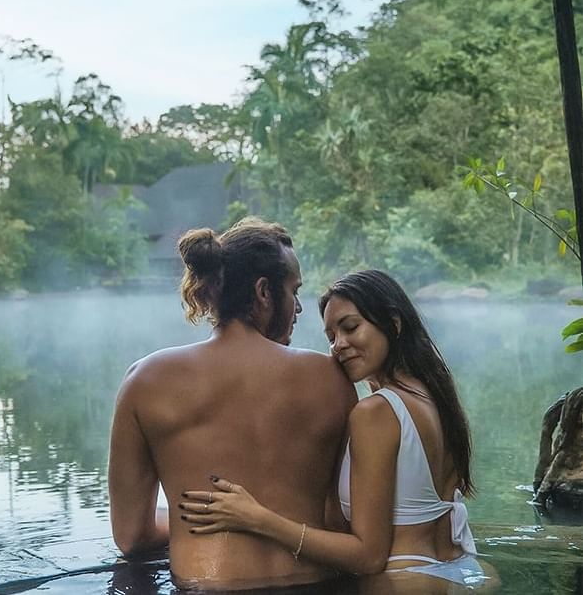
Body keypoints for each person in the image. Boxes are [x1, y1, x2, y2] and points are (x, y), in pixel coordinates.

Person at [180, 269, 489, 591]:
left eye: (351, 327)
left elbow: (367, 556)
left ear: (394, 324)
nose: (339, 345)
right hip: (462, 572)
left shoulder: (377, 412)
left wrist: (256, 518)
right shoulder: (433, 396)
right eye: (331, 337)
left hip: (403, 581)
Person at [108, 218, 357, 591]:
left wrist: (186, 516)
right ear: (263, 292)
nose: (299, 308)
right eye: (294, 290)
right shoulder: (331, 379)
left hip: (207, 586)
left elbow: (131, 537)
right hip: (316, 582)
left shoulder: (145, 381)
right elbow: (337, 522)